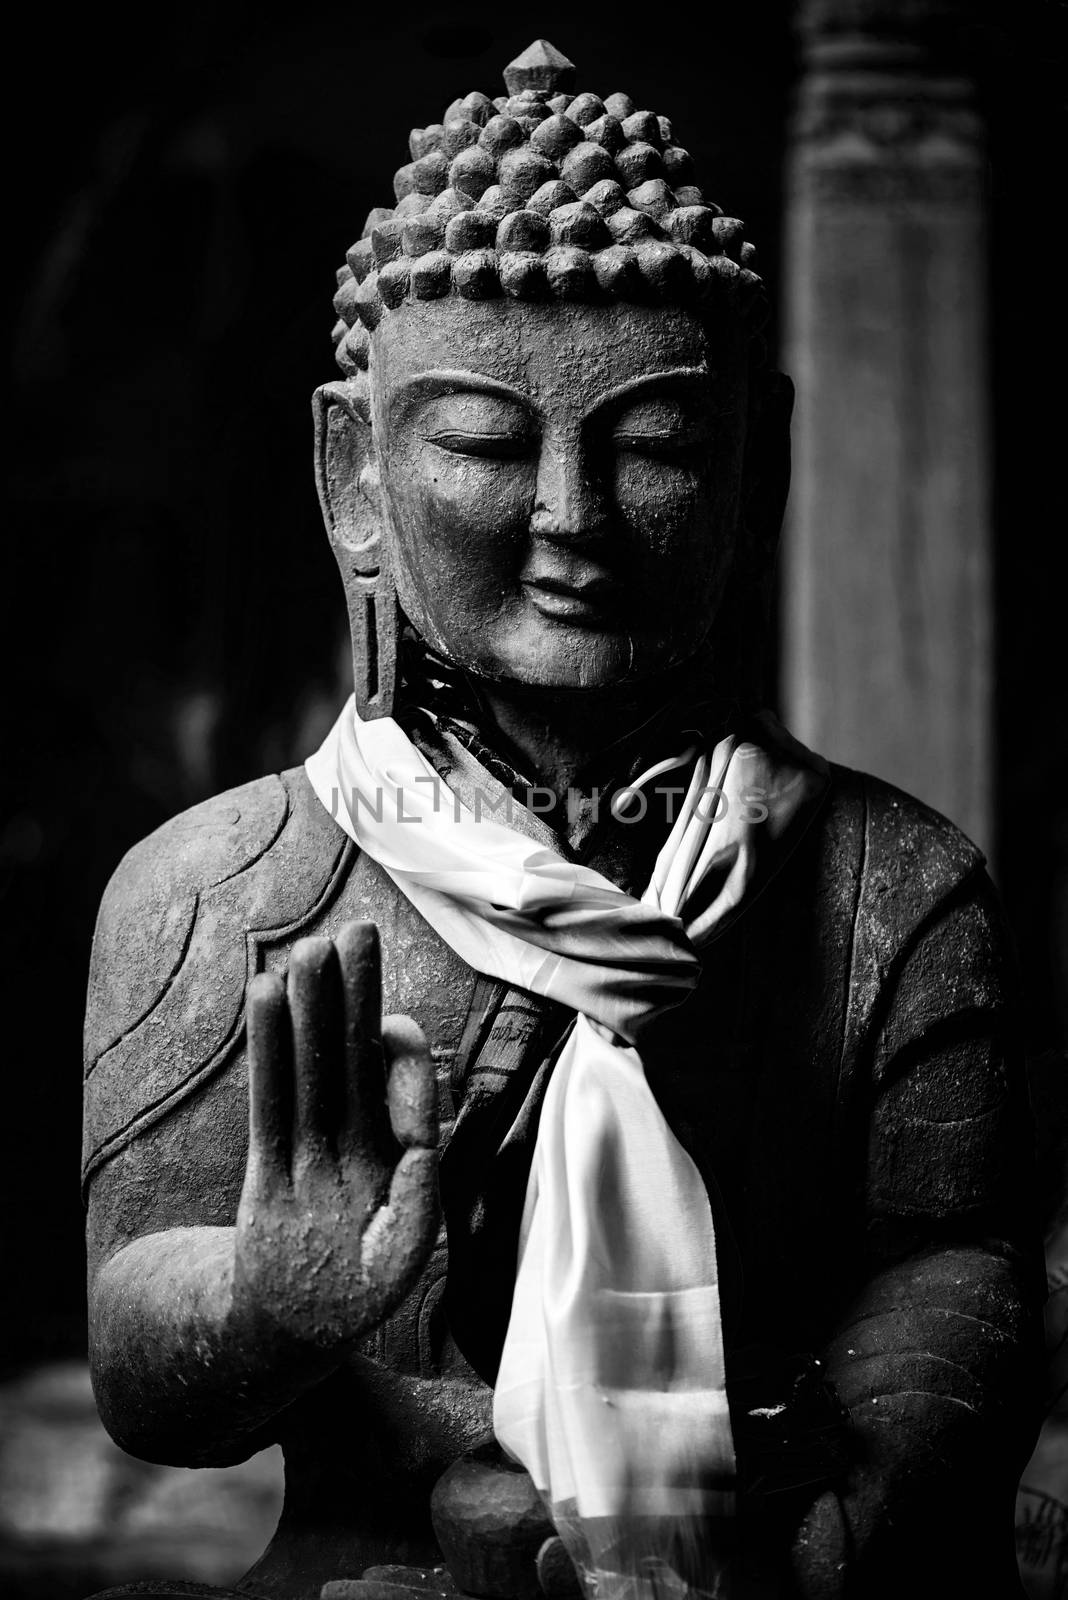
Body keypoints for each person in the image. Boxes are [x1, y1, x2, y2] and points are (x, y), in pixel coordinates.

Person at [82, 40, 1042, 1600]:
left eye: (658, 445)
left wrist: (843, 1507)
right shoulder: (218, 887)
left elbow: (956, 1264)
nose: (572, 516)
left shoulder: (890, 884)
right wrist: (264, 1304)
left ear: (761, 464)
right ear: (355, 475)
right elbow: (144, 1373)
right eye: (479, 442)